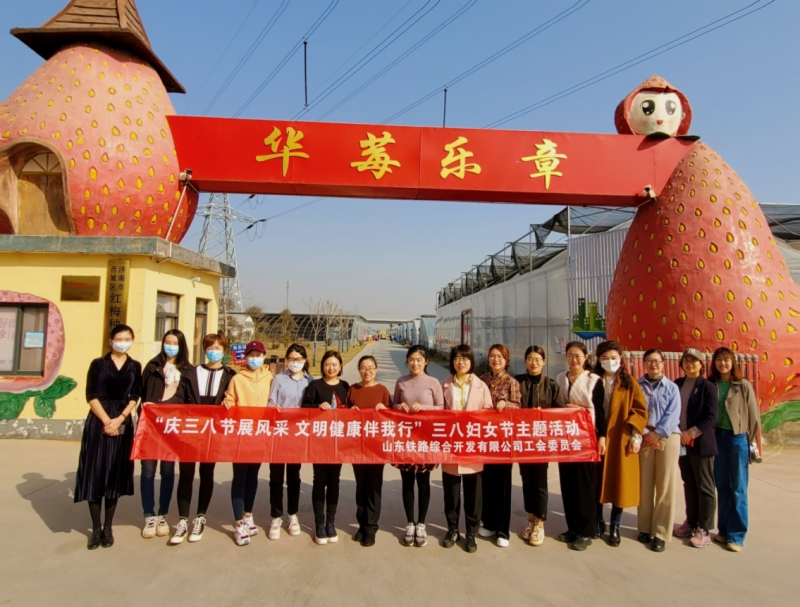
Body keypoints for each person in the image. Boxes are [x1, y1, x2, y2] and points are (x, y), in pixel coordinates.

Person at [74, 324, 142, 550]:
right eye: (119, 338)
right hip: (99, 421)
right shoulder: (98, 364)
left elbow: (135, 395)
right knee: (95, 473)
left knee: (115, 474)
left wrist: (120, 418)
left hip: (123, 421)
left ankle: (108, 527)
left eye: (127, 338)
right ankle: (95, 528)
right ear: (111, 340)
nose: (123, 342)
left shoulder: (134, 366)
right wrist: (106, 421)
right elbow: (91, 394)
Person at [167, 332, 236, 544]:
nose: (214, 352)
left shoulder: (230, 375)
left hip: (213, 432)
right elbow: (179, 398)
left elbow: (235, 398)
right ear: (205, 350)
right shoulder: (190, 373)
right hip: (190, 432)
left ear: (224, 351)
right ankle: (182, 520)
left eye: (218, 348)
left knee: (207, 473)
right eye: (210, 348)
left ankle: (200, 517)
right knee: (186, 474)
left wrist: (231, 403)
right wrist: (158, 406)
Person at [594, 341, 648, 547]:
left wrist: (635, 435)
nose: (609, 361)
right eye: (605, 358)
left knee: (620, 482)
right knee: (597, 480)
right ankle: (598, 520)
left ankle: (615, 525)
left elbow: (639, 410)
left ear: (620, 359)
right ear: (598, 360)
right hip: (595, 437)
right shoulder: (593, 379)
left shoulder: (629, 382)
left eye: (613, 358)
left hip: (620, 438)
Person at [441, 344, 494, 553]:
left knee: (474, 492)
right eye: (456, 358)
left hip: (473, 445)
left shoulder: (481, 386)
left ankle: (471, 531)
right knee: (451, 492)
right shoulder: (444, 385)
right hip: (451, 446)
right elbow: (436, 414)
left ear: (471, 361)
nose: (460, 362)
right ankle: (452, 529)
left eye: (465, 358)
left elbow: (488, 412)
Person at [139, 329, 192, 540]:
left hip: (173, 428)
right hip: (151, 427)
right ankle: (149, 516)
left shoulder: (188, 370)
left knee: (168, 471)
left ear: (181, 345)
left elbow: (189, 400)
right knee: (147, 471)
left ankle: (163, 514)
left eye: (175, 343)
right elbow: (141, 394)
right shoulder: (152, 367)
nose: (170, 346)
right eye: (167, 342)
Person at [392, 345, 445, 547]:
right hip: (405, 439)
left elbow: (441, 408)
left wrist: (423, 408)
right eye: (411, 359)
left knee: (423, 482)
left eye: (419, 360)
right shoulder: (401, 381)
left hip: (425, 440)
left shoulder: (433, 382)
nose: (415, 363)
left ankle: (421, 523)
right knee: (407, 482)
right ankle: (410, 523)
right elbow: (393, 405)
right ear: (407, 361)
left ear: (426, 362)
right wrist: (399, 406)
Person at [556, 341, 606, 551]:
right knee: (568, 483)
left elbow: (601, 411)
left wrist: (602, 437)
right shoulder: (561, 378)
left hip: (587, 438)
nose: (574, 359)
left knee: (585, 484)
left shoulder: (594, 380)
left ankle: (586, 531)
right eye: (570, 355)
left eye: (578, 355)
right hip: (565, 438)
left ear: (586, 357)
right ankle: (573, 527)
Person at [709, 346, 759, 552]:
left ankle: (737, 536)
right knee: (722, 485)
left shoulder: (742, 385)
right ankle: (723, 530)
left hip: (737, 438)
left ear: (733, 363)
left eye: (726, 360)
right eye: (719, 360)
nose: (723, 363)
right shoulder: (711, 384)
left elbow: (753, 415)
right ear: (714, 363)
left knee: (738, 486)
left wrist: (751, 440)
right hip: (717, 437)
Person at [223, 340, 273, 546]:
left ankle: (248, 514)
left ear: (264, 356)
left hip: (260, 434)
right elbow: (230, 398)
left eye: (258, 355)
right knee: (240, 476)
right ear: (246, 357)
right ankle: (238, 523)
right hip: (241, 435)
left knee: (253, 475)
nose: (254, 358)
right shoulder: (237, 379)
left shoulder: (270, 378)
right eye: (251, 355)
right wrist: (228, 403)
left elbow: (274, 400)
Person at [515, 345, 565, 547]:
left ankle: (540, 522)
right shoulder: (517, 382)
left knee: (540, 481)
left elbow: (561, 413)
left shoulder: (551, 385)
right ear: (525, 361)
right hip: (523, 441)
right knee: (526, 480)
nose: (533, 363)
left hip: (542, 442)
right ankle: (530, 519)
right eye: (530, 359)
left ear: (544, 362)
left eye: (537, 359)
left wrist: (544, 415)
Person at [302, 350, 350, 545]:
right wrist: (317, 407)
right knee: (319, 481)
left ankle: (331, 522)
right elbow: (304, 407)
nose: (331, 368)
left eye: (335, 364)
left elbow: (352, 409)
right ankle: (319, 524)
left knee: (334, 482)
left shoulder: (345, 386)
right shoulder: (315, 385)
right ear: (322, 365)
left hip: (338, 443)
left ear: (340, 367)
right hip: (320, 442)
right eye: (328, 364)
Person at [636, 348, 682, 553]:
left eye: (657, 361)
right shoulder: (637, 386)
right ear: (644, 363)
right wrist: (647, 433)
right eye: (649, 360)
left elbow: (674, 413)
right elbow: (633, 411)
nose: (653, 364)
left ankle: (661, 533)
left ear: (663, 363)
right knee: (644, 484)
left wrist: (659, 433)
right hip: (644, 436)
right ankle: (645, 528)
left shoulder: (672, 387)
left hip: (668, 436)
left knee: (665, 485)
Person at [267, 343, 314, 541]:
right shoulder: (279, 379)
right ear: (287, 360)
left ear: (305, 360)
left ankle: (292, 514)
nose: (295, 362)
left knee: (294, 476)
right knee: (276, 477)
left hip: (298, 435)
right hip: (279, 433)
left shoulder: (310, 381)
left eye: (299, 359)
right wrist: (273, 407)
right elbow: (271, 401)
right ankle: (276, 516)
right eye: (292, 359)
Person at [673, 347, 718, 549]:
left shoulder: (708, 387)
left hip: (700, 443)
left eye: (694, 361)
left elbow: (711, 417)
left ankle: (704, 528)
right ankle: (691, 522)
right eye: (686, 361)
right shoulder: (677, 384)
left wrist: (690, 433)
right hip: (681, 443)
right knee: (689, 483)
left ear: (701, 364)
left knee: (705, 486)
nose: (690, 364)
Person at [478, 344, 521, 548]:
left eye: (499, 356)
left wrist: (505, 403)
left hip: (503, 440)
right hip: (485, 438)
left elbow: (518, 407)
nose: (495, 359)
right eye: (492, 356)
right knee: (487, 482)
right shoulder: (482, 380)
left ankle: (503, 529)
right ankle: (489, 523)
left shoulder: (512, 382)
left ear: (506, 360)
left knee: (503, 484)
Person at [347, 355, 392, 547]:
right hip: (357, 446)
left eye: (371, 368)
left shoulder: (382, 391)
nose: (367, 371)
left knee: (374, 486)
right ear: (359, 370)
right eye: (364, 368)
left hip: (376, 447)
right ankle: (362, 524)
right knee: (361, 485)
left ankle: (371, 527)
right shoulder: (352, 389)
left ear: (376, 369)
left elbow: (393, 417)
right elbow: (343, 415)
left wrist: (385, 409)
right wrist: (350, 412)